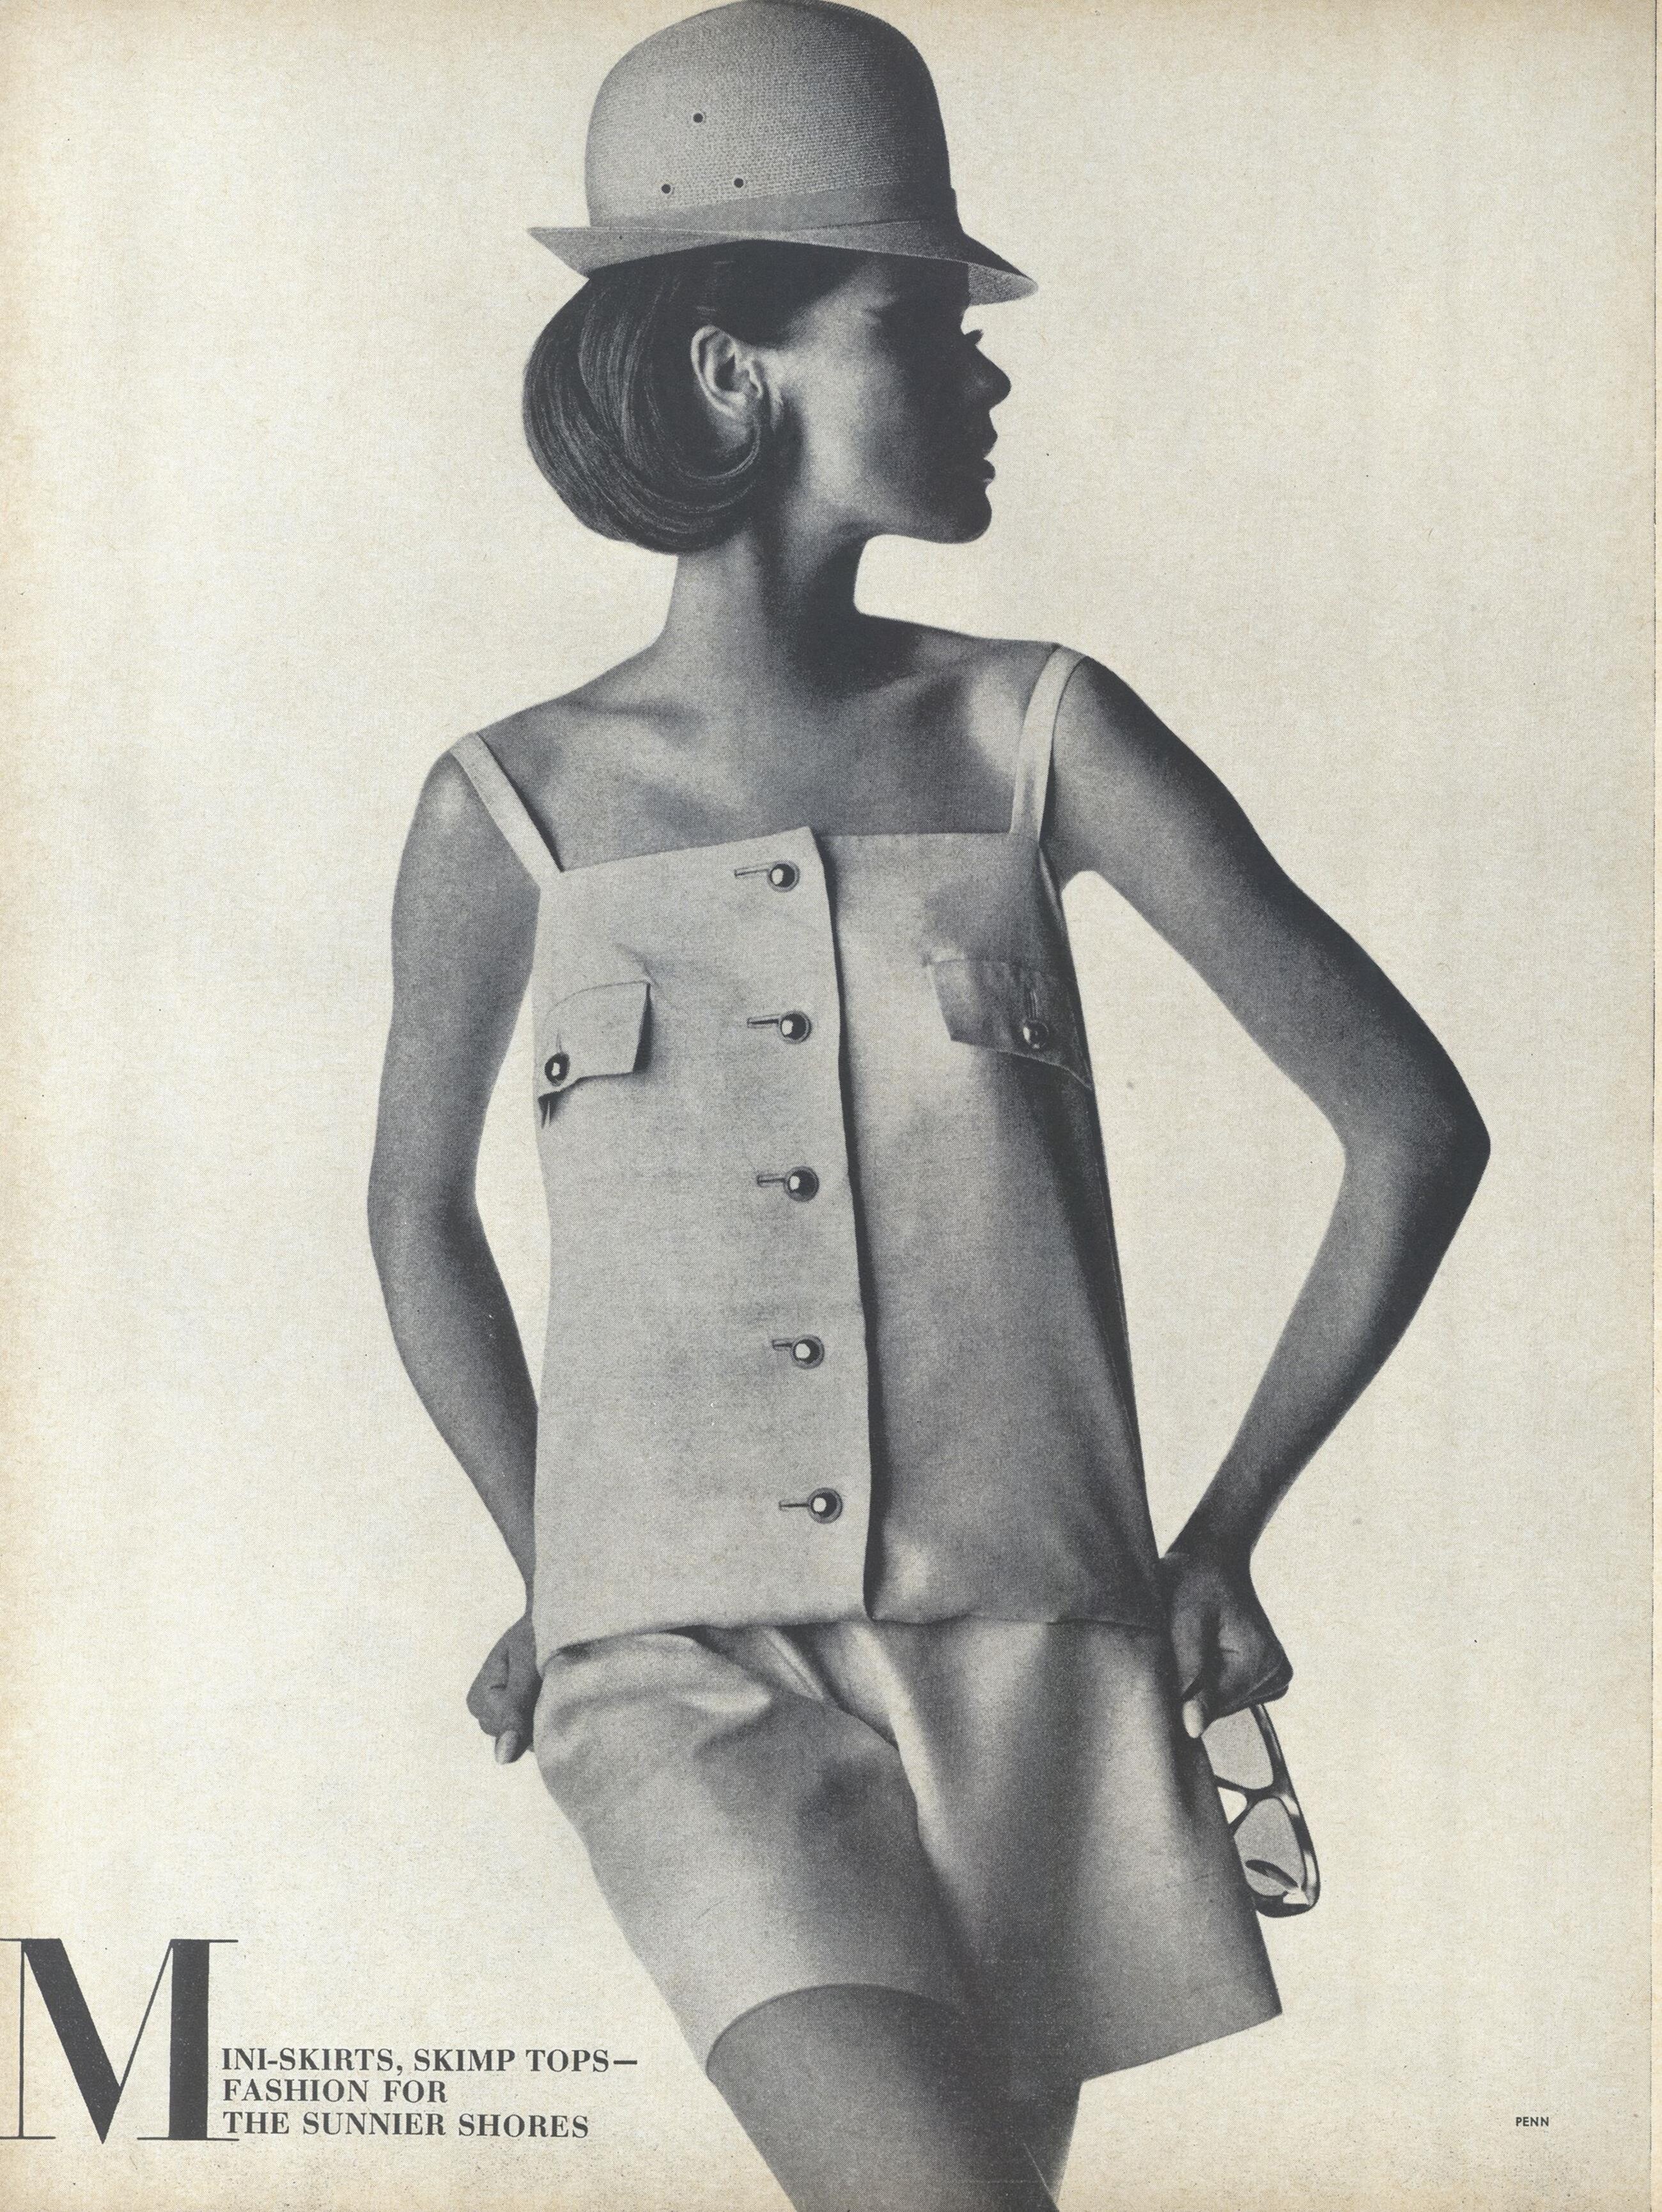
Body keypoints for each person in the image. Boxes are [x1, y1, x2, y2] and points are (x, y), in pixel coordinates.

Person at [368, 4, 1489, 2206]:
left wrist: (1226, 1532)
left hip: (1046, 1671)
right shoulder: (512, 806)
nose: (987, 377)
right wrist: (558, 1567)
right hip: (685, 1678)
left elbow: (1409, 1123)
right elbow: (418, 1212)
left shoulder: (1044, 734)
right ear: (737, 369)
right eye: (921, 323)